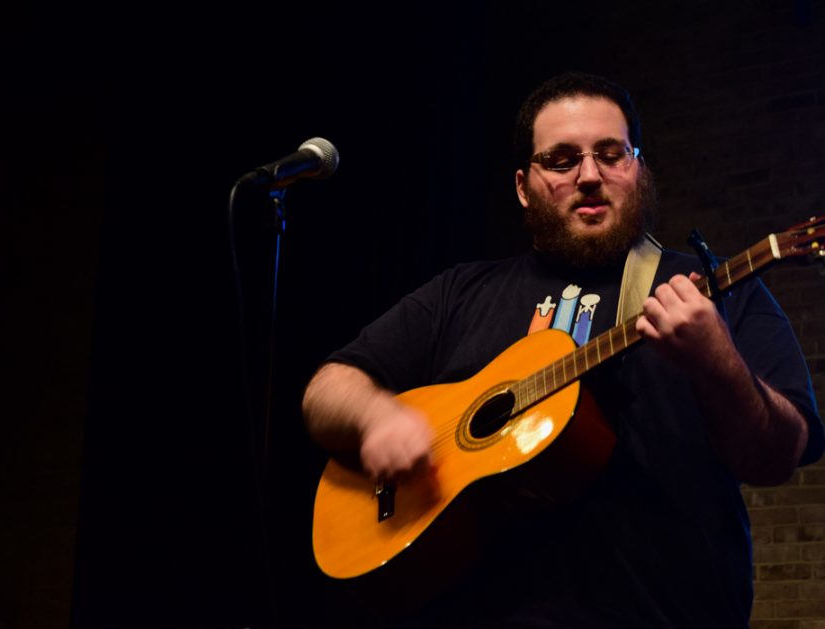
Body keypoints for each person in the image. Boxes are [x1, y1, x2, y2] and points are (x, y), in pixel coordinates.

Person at [301, 72, 824, 628]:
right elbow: (327, 388)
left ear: (638, 169)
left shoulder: (713, 288)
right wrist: (377, 417)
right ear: (524, 186)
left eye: (611, 154)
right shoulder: (459, 293)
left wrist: (715, 362)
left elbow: (777, 457)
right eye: (562, 160)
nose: (591, 175)